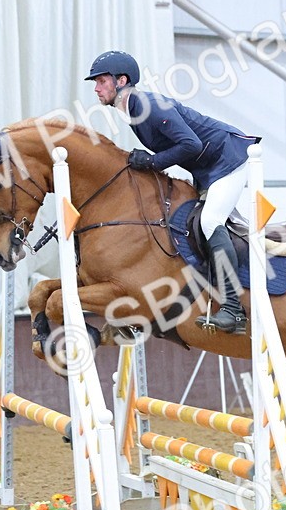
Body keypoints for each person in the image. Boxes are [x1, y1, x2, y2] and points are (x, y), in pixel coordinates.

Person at [85, 50, 257, 335]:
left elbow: (189, 144)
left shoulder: (147, 105)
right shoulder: (132, 111)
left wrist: (152, 162)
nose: (96, 88)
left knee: (210, 222)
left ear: (121, 80)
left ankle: (233, 310)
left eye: (101, 81)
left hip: (228, 160)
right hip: (206, 168)